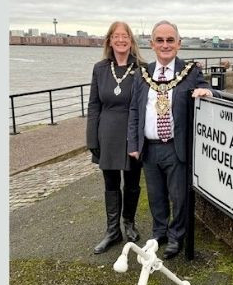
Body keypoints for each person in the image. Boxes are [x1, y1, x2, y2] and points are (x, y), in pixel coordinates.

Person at [127, 20, 212, 259]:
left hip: (176, 147)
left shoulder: (190, 71)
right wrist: (133, 143)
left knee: (178, 196)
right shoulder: (142, 74)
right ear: (152, 44)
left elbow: (207, 88)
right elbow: (134, 109)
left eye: (170, 40)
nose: (165, 45)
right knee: (155, 195)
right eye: (160, 40)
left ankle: (176, 236)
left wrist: (207, 91)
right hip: (149, 147)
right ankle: (159, 232)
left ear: (179, 44)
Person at [86, 21, 145, 254]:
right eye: (116, 36)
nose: (121, 40)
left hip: (132, 132)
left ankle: (129, 223)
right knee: (110, 183)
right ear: (109, 40)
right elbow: (93, 105)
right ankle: (113, 231)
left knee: (132, 182)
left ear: (131, 41)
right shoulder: (100, 69)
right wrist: (92, 139)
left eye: (125, 36)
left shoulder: (142, 69)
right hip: (107, 132)